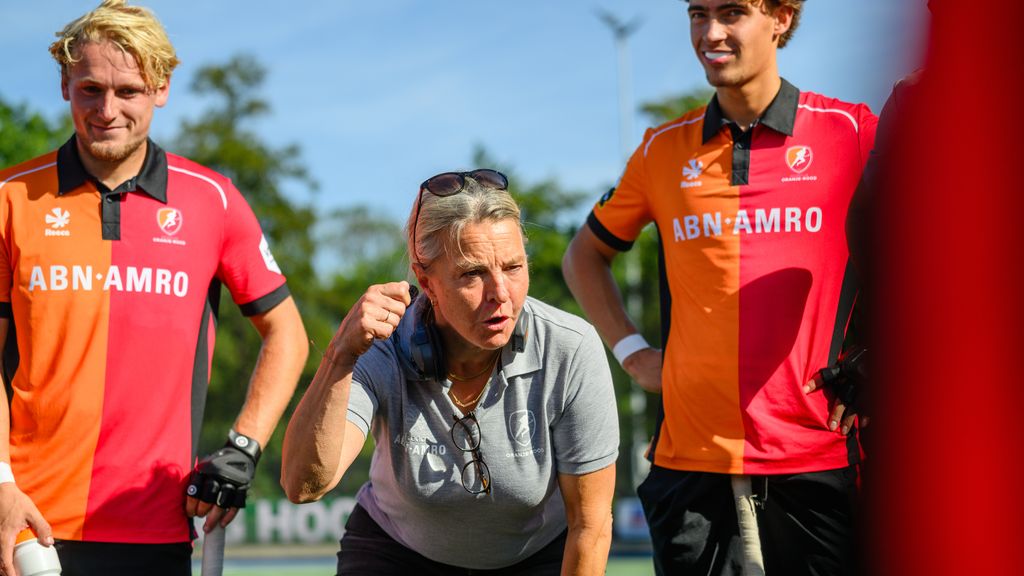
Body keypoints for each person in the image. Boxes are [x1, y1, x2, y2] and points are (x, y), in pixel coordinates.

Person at [562, 1, 877, 575]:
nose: (710, 32)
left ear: (781, 17)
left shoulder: (850, 131)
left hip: (819, 457)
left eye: (732, 12)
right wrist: (632, 354)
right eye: (697, 13)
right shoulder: (662, 148)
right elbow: (584, 255)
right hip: (690, 469)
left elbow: (937, 248)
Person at [0, 1, 308, 574]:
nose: (107, 111)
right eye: (90, 89)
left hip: (157, 526)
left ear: (161, 89)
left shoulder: (213, 199)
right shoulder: (10, 197)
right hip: (25, 523)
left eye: (129, 91)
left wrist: (243, 447)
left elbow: (287, 332)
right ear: (64, 84)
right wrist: (0, 484)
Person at [282, 169, 618, 575]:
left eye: (513, 267)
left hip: (534, 556)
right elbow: (303, 485)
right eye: (473, 274)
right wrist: (339, 357)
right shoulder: (381, 347)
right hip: (398, 551)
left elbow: (590, 526)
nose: (500, 294)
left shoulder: (570, 348)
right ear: (427, 282)